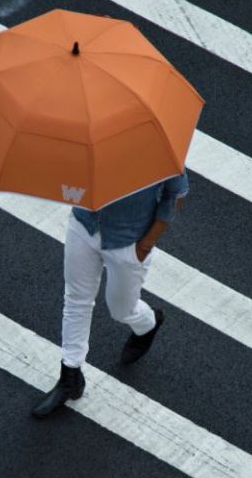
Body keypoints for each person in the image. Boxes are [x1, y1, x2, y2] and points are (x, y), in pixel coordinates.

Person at [31, 171, 189, 418]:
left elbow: (176, 193)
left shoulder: (158, 153)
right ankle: (70, 377)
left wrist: (146, 244)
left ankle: (148, 323)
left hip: (129, 242)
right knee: (76, 300)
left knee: (121, 310)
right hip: (84, 225)